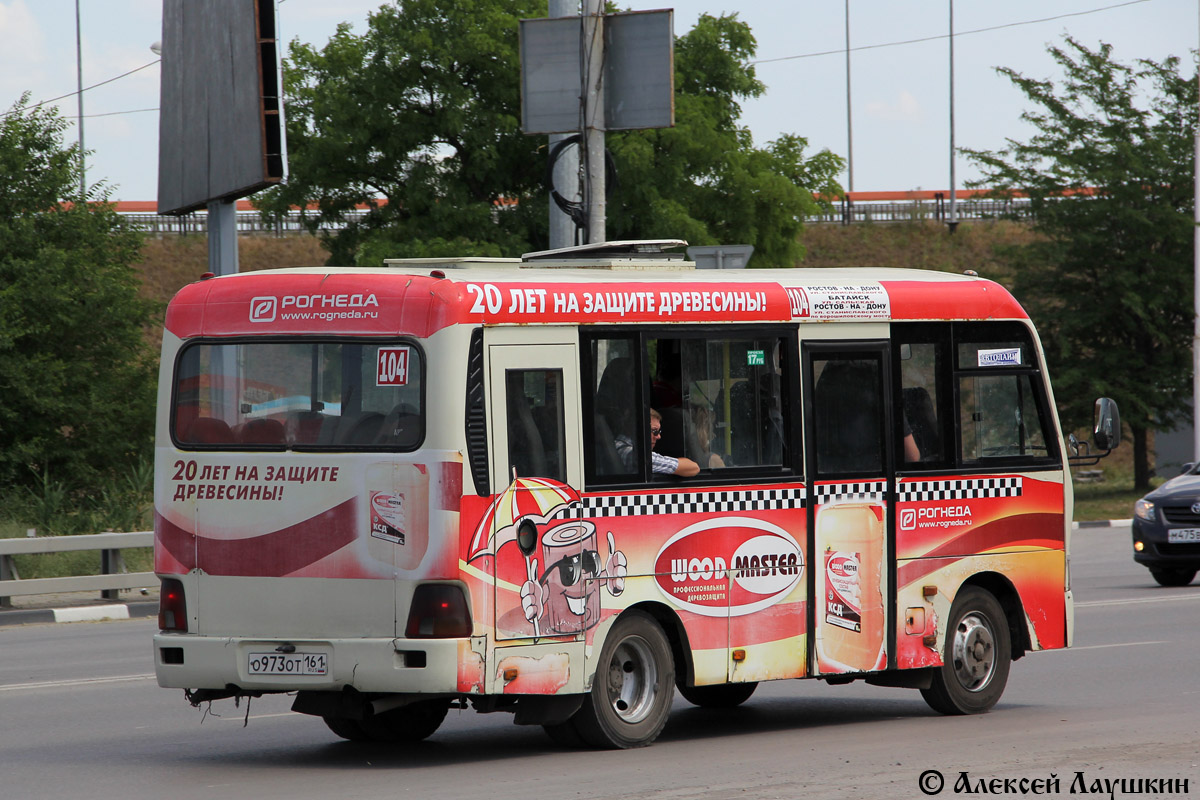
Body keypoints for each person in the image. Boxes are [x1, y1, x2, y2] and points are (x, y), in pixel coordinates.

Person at [615, 409, 700, 477]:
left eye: (659, 431)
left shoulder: (617, 445)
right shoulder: (634, 455)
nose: (658, 436)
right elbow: (694, 468)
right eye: (654, 431)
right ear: (637, 429)